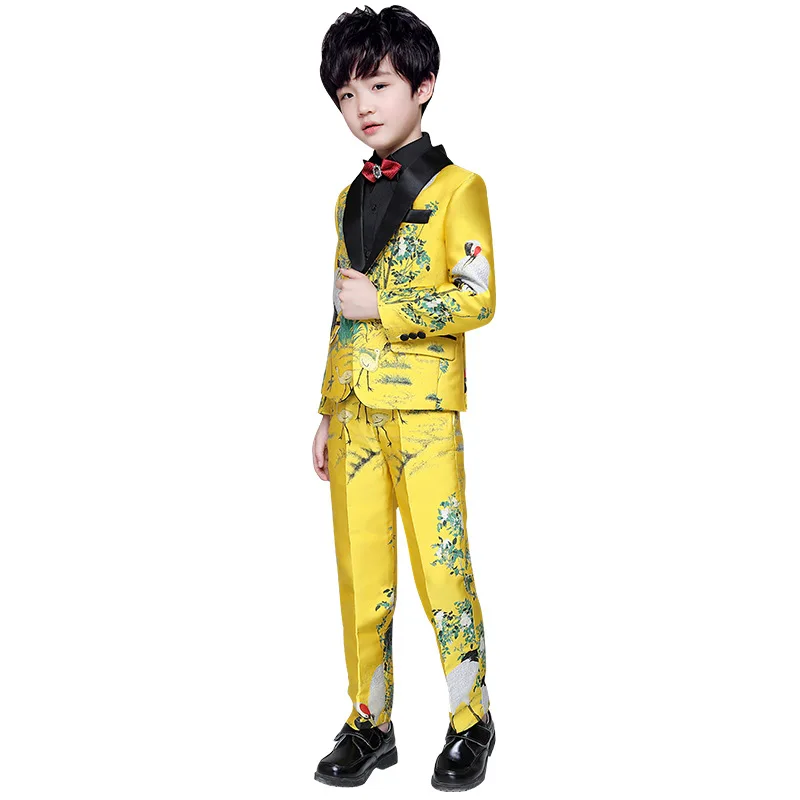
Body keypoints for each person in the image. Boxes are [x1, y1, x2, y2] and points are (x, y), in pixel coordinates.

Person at [311, 5, 497, 791]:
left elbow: (479, 298)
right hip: (355, 414)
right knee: (361, 574)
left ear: (424, 86)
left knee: (441, 567)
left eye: (379, 85)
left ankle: (471, 719)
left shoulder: (459, 188)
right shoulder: (347, 197)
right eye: (347, 94)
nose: (363, 106)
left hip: (423, 413)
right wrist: (327, 408)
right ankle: (371, 721)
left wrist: (384, 306)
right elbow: (338, 311)